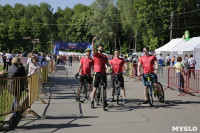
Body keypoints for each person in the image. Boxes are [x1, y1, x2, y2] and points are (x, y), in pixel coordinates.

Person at [90, 37, 110, 109]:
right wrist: (93, 41)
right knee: (95, 88)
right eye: (100, 47)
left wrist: (108, 70)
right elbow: (93, 48)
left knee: (104, 89)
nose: (101, 48)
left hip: (103, 74)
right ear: (98, 48)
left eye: (102, 47)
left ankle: (105, 101)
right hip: (97, 73)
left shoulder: (104, 56)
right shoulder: (96, 54)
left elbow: (108, 65)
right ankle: (92, 102)